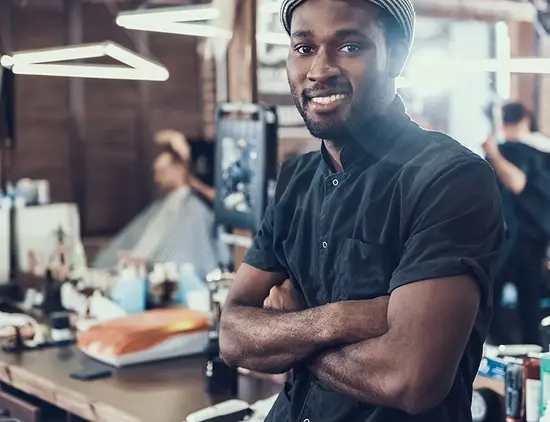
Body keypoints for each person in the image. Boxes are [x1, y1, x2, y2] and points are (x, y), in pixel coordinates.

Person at [219, 0, 505, 421]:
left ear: (397, 55)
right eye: (304, 48)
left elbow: (409, 380)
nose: (319, 70)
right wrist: (335, 321)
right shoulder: (296, 179)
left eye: (350, 46)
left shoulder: (450, 179)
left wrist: (287, 339)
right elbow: (231, 334)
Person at [92, 132, 225, 279]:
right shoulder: (163, 204)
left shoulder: (195, 208)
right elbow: (159, 136)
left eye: (161, 172)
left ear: (179, 170)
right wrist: (176, 138)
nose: (156, 178)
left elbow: (181, 257)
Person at [484, 102, 550, 345]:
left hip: (522, 242)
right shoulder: (541, 151)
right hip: (516, 240)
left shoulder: (527, 152)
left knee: (521, 307)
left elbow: (517, 183)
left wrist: (493, 153)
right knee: (512, 305)